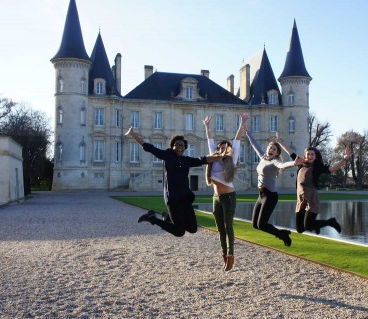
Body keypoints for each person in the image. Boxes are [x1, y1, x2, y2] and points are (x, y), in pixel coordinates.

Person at [125, 127, 220, 237]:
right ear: (173, 146)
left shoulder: (187, 160)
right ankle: (153, 219)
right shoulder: (167, 156)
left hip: (185, 199)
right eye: (177, 144)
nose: (180, 147)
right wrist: (132, 134)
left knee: (193, 229)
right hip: (173, 199)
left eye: (182, 145)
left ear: (185, 148)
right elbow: (149, 147)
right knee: (179, 232)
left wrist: (221, 156)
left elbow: (204, 160)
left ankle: (168, 218)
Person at [203, 113, 249, 272]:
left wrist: (242, 123)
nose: (223, 149)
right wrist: (207, 127)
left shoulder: (232, 159)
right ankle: (224, 256)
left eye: (226, 148)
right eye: (221, 147)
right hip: (216, 197)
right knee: (220, 228)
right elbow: (210, 141)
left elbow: (237, 141)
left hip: (229, 197)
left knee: (228, 225)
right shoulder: (213, 158)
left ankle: (231, 256)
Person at [246, 130, 302, 247]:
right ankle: (282, 233)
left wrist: (294, 163)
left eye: (274, 149)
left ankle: (282, 235)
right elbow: (254, 144)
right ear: (267, 149)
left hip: (270, 196)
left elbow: (283, 165)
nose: (271, 150)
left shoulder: (275, 161)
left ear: (277, 153)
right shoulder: (263, 157)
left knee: (262, 224)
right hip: (261, 194)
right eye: (270, 148)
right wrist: (246, 130)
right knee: (255, 225)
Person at [294, 146, 351, 234]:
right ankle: (316, 226)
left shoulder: (317, 166)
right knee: (300, 229)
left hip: (311, 198)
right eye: (308, 154)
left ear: (315, 156)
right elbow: (290, 152)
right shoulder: (300, 163)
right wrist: (279, 142)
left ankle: (330, 222)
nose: (310, 156)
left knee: (308, 226)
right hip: (301, 199)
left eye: (312, 154)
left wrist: (344, 159)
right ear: (305, 156)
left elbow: (332, 169)